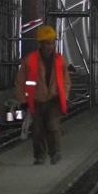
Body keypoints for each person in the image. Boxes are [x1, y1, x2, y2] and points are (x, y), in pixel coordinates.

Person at [14, 25, 74, 165]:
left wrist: (64, 97)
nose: (50, 46)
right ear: (40, 44)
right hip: (36, 100)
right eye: (47, 43)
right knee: (38, 130)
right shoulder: (30, 60)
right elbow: (20, 81)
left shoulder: (59, 61)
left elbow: (66, 81)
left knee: (53, 126)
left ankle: (55, 153)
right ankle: (40, 156)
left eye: (52, 43)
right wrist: (23, 100)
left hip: (53, 99)